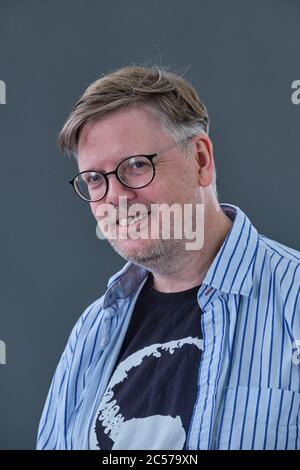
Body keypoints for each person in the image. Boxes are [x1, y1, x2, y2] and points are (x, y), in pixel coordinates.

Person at [37, 65, 300, 450]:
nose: (116, 197)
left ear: (201, 160)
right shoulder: (92, 332)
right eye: (95, 178)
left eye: (136, 166)